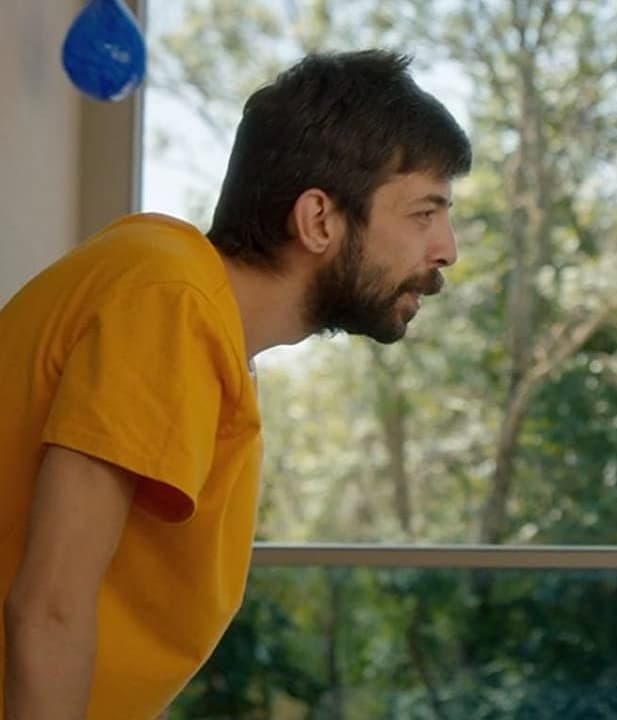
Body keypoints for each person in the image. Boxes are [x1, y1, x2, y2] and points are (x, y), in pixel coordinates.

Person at [0, 49, 470, 718]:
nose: (447, 248)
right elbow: (48, 608)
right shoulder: (171, 302)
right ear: (319, 220)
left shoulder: (185, 299)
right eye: (424, 213)